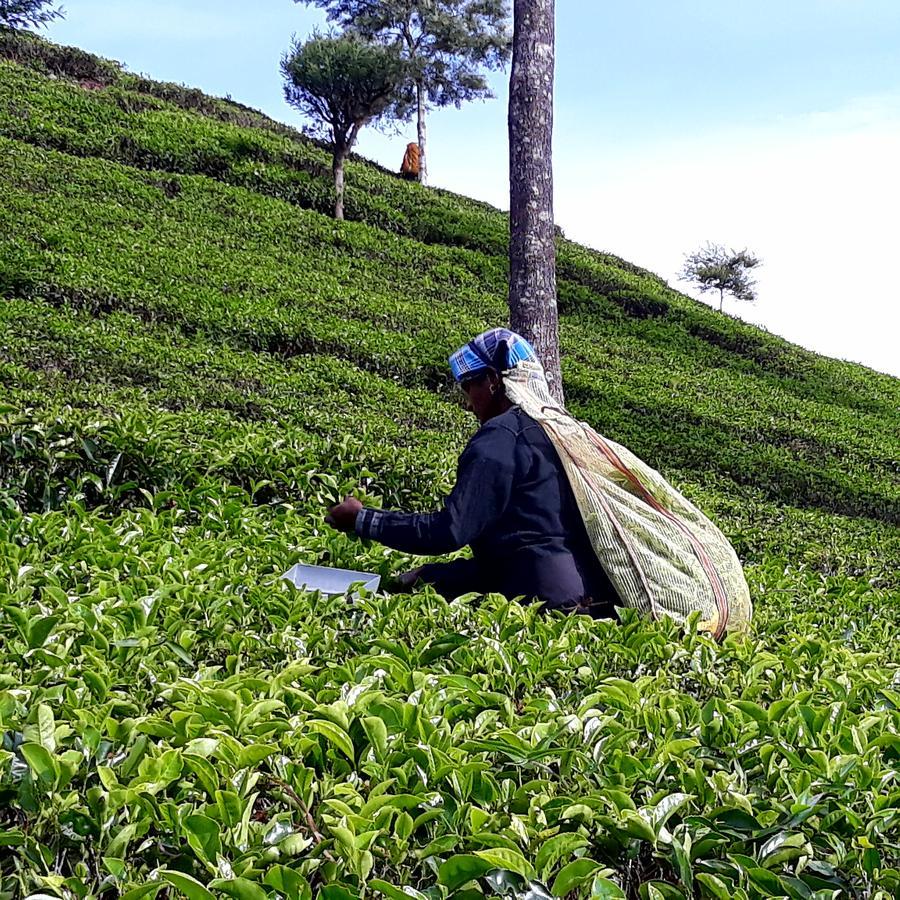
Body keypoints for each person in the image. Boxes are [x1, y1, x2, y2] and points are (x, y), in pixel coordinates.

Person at [326, 328, 620, 619]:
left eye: (468, 385)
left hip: (540, 603)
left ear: (493, 381)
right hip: (593, 596)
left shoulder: (501, 437)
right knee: (425, 579)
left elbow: (448, 532)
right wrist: (431, 574)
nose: (467, 402)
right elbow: (520, 547)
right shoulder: (559, 432)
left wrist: (362, 519)